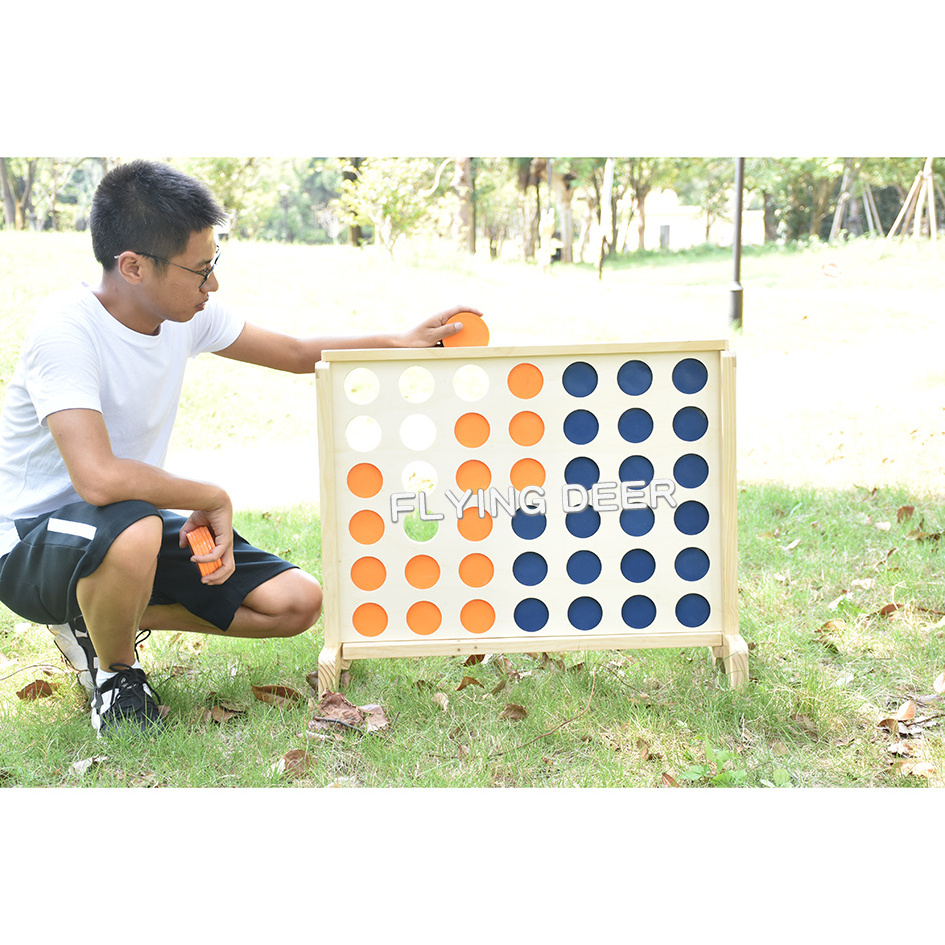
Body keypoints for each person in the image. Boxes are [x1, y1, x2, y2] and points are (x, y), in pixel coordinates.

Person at [0, 159, 479, 737]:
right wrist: (212, 495)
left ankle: (100, 619)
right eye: (200, 271)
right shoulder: (66, 329)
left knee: (296, 602)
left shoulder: (181, 313)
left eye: (213, 266)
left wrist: (398, 340)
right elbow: (97, 480)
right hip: (31, 541)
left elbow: (300, 352)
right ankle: (117, 674)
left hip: (127, 533)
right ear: (133, 267)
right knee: (137, 526)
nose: (213, 285)